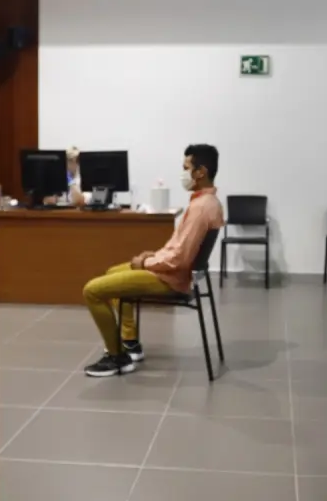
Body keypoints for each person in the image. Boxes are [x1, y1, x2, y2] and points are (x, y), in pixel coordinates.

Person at [80, 144, 224, 378]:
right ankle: (129, 343)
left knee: (92, 291)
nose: (183, 173)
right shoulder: (207, 202)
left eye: (186, 167)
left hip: (171, 279)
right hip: (171, 271)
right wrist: (152, 256)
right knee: (112, 273)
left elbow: (179, 259)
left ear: (201, 172)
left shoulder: (201, 208)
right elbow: (178, 249)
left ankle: (117, 358)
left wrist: (146, 263)